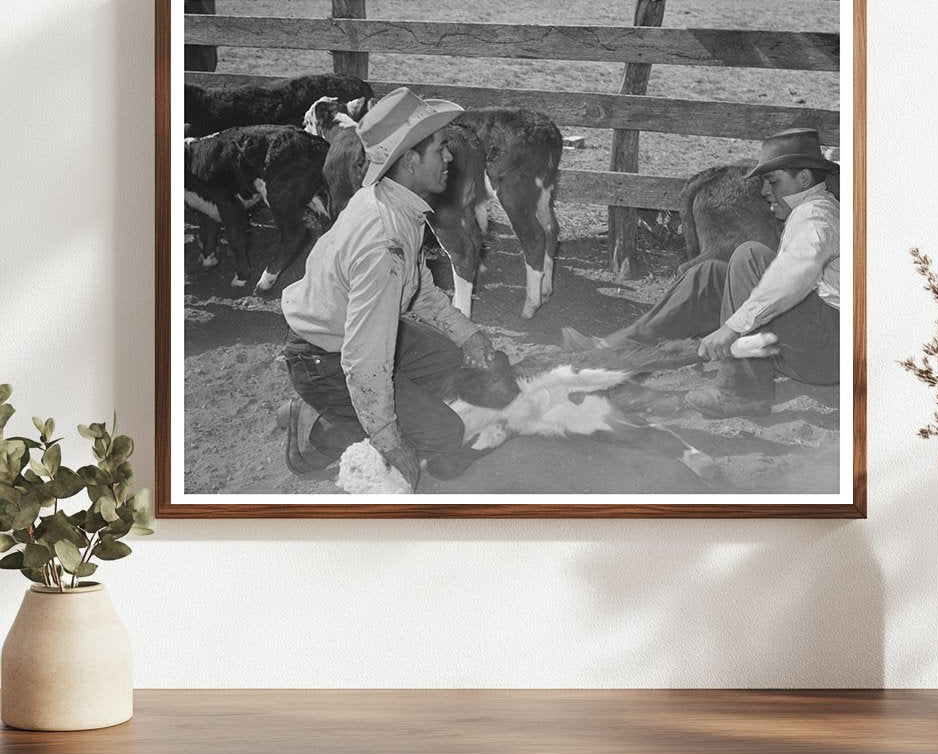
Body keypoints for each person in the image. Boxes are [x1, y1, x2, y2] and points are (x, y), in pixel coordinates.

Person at [280, 87, 496, 490]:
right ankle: (320, 431)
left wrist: (466, 334)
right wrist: (390, 439)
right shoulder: (384, 239)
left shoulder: (393, 203)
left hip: (336, 335)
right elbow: (364, 360)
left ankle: (354, 408)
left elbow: (420, 290)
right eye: (439, 148)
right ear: (410, 160)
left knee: (447, 355)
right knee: (444, 435)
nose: (448, 157)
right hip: (324, 358)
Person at [562, 128, 840, 418]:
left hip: (829, 350)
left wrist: (731, 329)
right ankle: (613, 353)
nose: (764, 191)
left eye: (773, 181)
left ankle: (741, 393)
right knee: (709, 275)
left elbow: (793, 278)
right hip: (818, 340)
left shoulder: (815, 214)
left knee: (749, 256)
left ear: (805, 179)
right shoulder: (811, 211)